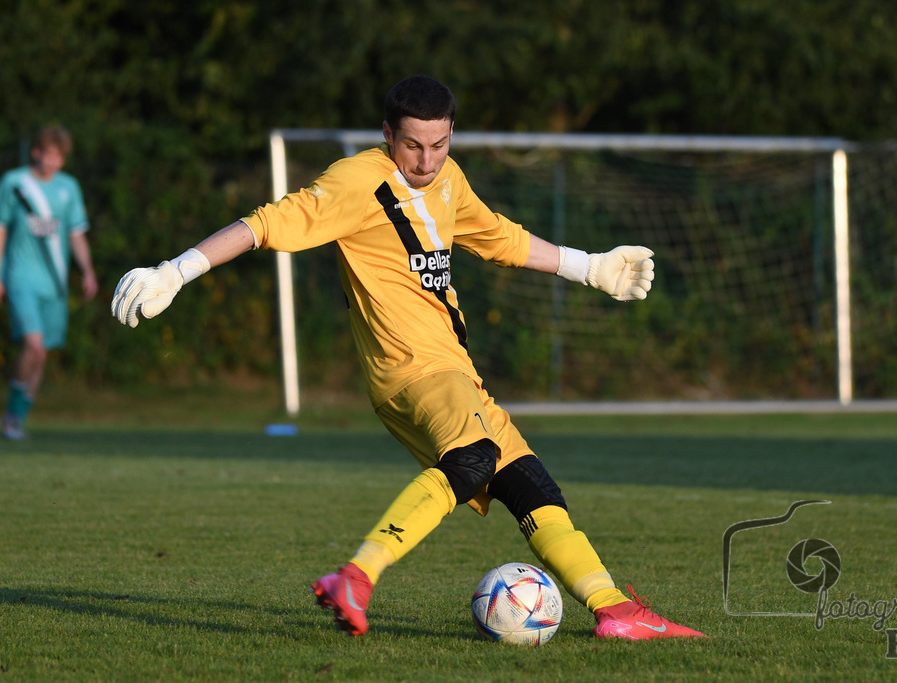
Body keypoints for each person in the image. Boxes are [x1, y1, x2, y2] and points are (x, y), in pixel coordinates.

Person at [111, 75, 703, 640]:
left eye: (439, 145)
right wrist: (177, 271)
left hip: (455, 370)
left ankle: (617, 610)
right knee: (472, 460)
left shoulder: (448, 179)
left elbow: (497, 236)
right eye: (413, 146)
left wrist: (589, 266)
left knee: (532, 488)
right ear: (388, 135)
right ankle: (356, 576)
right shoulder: (356, 181)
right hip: (412, 369)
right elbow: (267, 224)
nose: (425, 161)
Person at [0, 125, 98, 440]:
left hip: (55, 284)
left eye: (60, 156)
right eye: (49, 153)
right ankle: (11, 416)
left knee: (43, 354)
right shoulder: (15, 183)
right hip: (20, 277)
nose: (53, 161)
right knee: (34, 347)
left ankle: (17, 419)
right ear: (36, 152)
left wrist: (88, 270)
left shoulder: (69, 187)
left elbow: (76, 233)